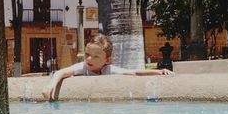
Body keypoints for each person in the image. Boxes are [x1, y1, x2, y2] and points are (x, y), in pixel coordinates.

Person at [42, 34, 174, 101]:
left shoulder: (108, 70)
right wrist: (49, 87)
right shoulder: (82, 67)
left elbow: (134, 73)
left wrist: (159, 71)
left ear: (107, 60)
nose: (89, 59)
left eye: (95, 57)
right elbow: (61, 72)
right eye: (87, 54)